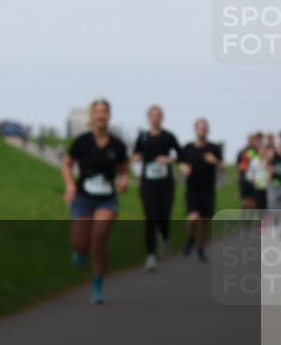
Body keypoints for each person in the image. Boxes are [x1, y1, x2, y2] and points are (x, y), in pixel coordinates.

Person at [63, 98, 129, 305]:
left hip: (106, 199)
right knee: (80, 243)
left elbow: (123, 169)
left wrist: (123, 181)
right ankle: (80, 252)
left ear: (109, 116)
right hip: (83, 198)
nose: (101, 115)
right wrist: (70, 185)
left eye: (104, 112)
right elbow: (67, 165)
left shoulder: (117, 145)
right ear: (91, 117)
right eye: (97, 112)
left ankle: (97, 285)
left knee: (99, 238)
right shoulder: (82, 142)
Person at [132, 105, 181, 272]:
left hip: (165, 182)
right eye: (153, 116)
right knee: (150, 217)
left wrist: (168, 159)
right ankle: (151, 255)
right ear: (148, 118)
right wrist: (137, 159)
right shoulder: (143, 137)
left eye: (158, 115)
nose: (155, 118)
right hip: (148, 182)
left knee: (163, 216)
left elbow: (180, 155)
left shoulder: (169, 136)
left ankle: (165, 239)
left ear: (162, 118)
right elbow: (135, 155)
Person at [178, 118, 223, 262]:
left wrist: (214, 161)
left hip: (208, 190)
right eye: (199, 128)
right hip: (193, 189)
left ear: (207, 130)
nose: (202, 131)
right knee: (193, 218)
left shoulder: (214, 148)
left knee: (204, 222)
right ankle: (191, 239)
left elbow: (224, 167)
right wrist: (183, 168)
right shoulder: (187, 148)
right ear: (195, 130)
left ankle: (200, 248)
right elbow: (180, 162)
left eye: (204, 128)